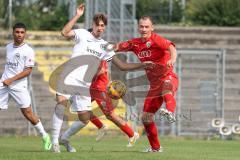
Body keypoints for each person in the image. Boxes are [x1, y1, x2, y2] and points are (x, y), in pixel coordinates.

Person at [51, 4, 153, 153]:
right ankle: (54, 143)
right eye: (98, 25)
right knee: (61, 104)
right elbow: (64, 32)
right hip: (69, 76)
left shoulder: (105, 46)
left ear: (105, 27)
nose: (100, 28)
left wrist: (142, 65)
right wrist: (77, 15)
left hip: (84, 85)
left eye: (103, 25)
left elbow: (122, 66)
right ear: (92, 25)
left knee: (85, 119)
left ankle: (64, 139)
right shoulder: (82, 34)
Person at [115, 16, 178, 152]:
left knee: (166, 89)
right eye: (141, 26)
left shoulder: (156, 40)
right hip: (154, 85)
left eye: (146, 27)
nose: (143, 29)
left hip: (168, 76)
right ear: (138, 27)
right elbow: (117, 47)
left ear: (152, 28)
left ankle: (171, 112)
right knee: (146, 118)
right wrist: (101, 48)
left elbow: (171, 47)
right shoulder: (135, 44)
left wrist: (172, 59)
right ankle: (155, 148)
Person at [0, 23, 52, 150]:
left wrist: (11, 80)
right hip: (4, 83)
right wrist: (5, 79)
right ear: (13, 33)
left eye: (22, 32)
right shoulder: (8, 47)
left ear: (25, 34)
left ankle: (45, 136)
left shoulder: (28, 50)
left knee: (28, 113)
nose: (19, 34)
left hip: (18, 86)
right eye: (17, 32)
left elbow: (28, 70)